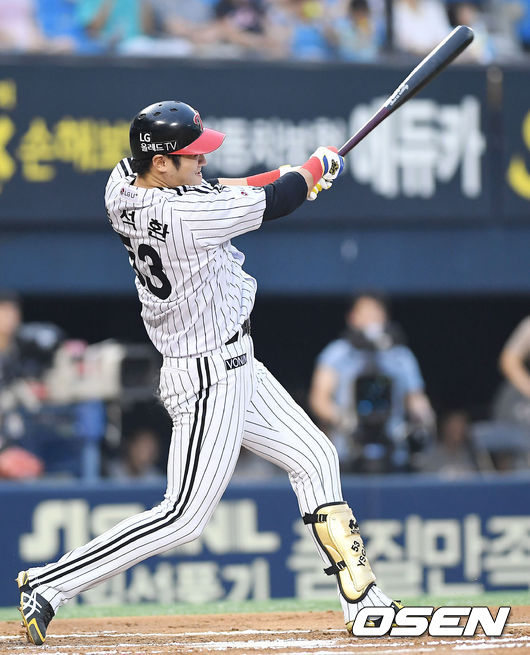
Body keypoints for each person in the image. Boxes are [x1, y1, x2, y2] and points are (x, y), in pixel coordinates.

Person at [16, 100, 400, 645]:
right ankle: (49, 583)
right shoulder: (187, 219)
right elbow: (278, 201)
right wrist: (314, 170)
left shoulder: (122, 184)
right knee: (183, 517)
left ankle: (363, 601)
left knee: (316, 457)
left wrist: (297, 173)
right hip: (205, 376)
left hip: (237, 361)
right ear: (161, 163)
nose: (203, 159)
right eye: (191, 154)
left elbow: (227, 188)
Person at [309, 293, 435, 472]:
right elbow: (319, 399)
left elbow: (415, 398)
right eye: (365, 313)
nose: (370, 319)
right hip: (348, 451)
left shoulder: (400, 356)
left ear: (385, 317)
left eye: (375, 313)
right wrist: (342, 418)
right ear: (352, 317)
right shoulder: (337, 353)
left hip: (393, 450)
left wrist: (424, 420)